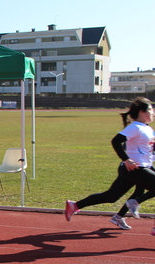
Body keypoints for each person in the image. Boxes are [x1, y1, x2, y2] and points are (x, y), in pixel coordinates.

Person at [66, 97, 155, 236]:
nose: (153, 112)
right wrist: (126, 159)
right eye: (151, 109)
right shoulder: (135, 127)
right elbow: (116, 141)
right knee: (138, 194)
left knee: (111, 196)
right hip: (134, 169)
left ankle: (75, 205)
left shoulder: (147, 129)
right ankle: (135, 204)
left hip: (141, 167)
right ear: (142, 111)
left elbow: (147, 149)